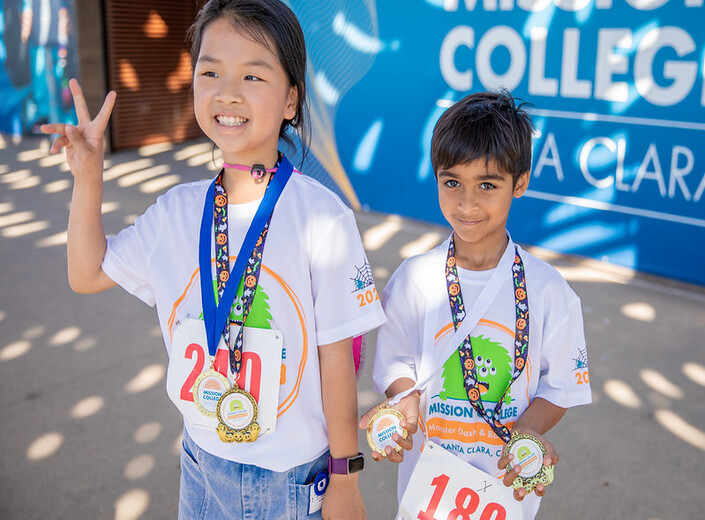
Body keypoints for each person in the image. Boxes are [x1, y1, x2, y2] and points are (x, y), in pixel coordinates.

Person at [41, 1, 386, 518]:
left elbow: (337, 357)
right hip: (200, 462)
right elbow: (86, 273)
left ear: (292, 98)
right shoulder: (176, 211)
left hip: (290, 479)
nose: (227, 91)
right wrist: (88, 179)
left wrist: (345, 476)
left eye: (253, 74)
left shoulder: (321, 217)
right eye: (210, 71)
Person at [360, 91, 592, 519]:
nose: (467, 204)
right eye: (452, 183)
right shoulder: (414, 278)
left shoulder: (548, 291)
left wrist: (529, 431)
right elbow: (395, 363)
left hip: (503, 492)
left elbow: (560, 386)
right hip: (425, 490)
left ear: (519, 182)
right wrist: (404, 400)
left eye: (487, 185)